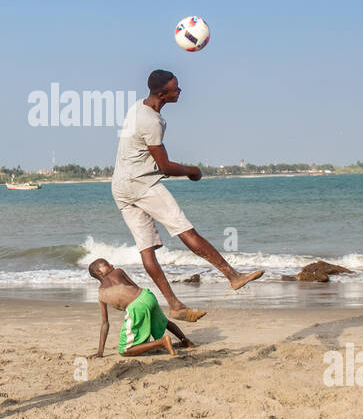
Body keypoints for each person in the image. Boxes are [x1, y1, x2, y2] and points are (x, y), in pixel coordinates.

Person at [110, 69, 264, 322]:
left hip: (120, 186)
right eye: (175, 87)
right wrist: (193, 171)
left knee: (147, 251)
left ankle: (175, 305)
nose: (180, 90)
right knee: (186, 231)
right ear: (162, 93)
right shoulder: (152, 122)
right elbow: (165, 167)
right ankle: (233, 276)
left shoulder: (138, 107)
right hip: (142, 184)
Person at [87, 258, 193, 357]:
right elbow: (135, 286)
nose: (111, 265)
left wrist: (100, 352)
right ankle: (186, 341)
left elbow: (105, 323)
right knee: (164, 321)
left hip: (136, 306)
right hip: (146, 295)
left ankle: (162, 342)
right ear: (98, 272)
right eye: (107, 264)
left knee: (124, 350)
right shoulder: (118, 271)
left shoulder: (101, 294)